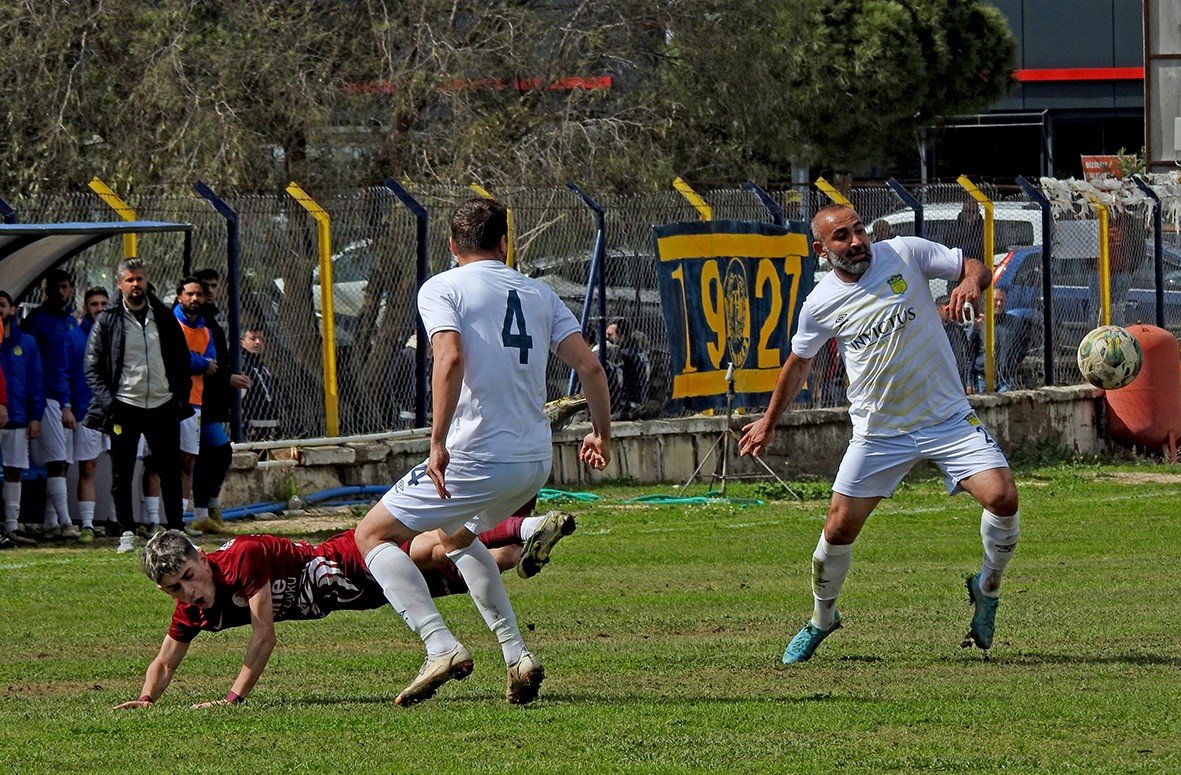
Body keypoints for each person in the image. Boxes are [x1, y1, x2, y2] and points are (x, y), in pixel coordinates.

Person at [353, 197, 612, 707]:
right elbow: (591, 369)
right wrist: (601, 434)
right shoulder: (540, 293)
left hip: (477, 455)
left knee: (372, 534)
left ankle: (439, 645)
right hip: (534, 461)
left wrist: (437, 441)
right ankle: (516, 655)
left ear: (451, 246)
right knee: (454, 537)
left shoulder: (443, 287)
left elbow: (448, 357)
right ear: (504, 243)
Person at [738, 204, 1020, 663]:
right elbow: (800, 362)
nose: (856, 242)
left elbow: (973, 266)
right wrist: (770, 420)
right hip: (878, 433)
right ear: (821, 250)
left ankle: (987, 588)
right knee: (837, 529)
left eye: (858, 231)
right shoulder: (820, 303)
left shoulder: (905, 253)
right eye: (842, 237)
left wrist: (971, 281)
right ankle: (821, 619)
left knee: (1003, 497)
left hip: (946, 418)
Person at [114, 511, 576, 709]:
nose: (190, 592)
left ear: (201, 556)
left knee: (437, 542)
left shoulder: (240, 557)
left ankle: (530, 523)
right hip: (359, 597)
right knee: (472, 564)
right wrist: (148, 697)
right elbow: (165, 659)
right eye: (175, 589)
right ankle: (527, 541)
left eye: (190, 576)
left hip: (338, 563)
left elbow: (263, 636)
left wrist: (233, 699)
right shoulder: (192, 609)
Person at [84, 258, 194, 551]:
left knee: (169, 469)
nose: (136, 285)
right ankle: (127, 532)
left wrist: (179, 396)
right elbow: (92, 368)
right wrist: (111, 403)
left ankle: (176, 531)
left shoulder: (163, 315)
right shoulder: (108, 319)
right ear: (120, 284)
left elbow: (181, 358)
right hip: (125, 406)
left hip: (162, 404)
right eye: (130, 280)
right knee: (123, 472)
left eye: (140, 279)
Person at [24, 269, 81, 539]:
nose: (62, 292)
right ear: (47, 290)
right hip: (49, 397)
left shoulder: (71, 322)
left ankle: (50, 523)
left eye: (66, 286)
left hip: (68, 398)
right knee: (56, 460)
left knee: (64, 462)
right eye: (57, 287)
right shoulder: (37, 320)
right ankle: (67, 521)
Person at [65, 287, 112, 543]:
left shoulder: (117, 335)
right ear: (86, 307)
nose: (100, 308)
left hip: (116, 411)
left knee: (120, 466)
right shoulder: (73, 337)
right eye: (94, 303)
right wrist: (67, 405)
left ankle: (118, 520)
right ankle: (87, 524)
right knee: (88, 467)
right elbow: (64, 372)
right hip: (87, 412)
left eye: (104, 303)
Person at [0, 291, 44, 546]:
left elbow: (36, 381)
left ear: (13, 310)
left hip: (17, 417)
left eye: (3, 305)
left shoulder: (26, 343)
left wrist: (35, 417)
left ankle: (12, 525)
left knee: (14, 471)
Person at [967, 288, 1031, 393]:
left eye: (1002, 300)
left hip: (1005, 379)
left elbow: (1025, 341)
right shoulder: (979, 323)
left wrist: (1016, 359)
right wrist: (969, 381)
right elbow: (969, 352)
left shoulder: (1015, 323)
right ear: (987, 301)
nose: (999, 303)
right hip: (982, 377)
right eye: (996, 300)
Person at [239, 326, 280, 440]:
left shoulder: (262, 366)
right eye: (253, 339)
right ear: (242, 341)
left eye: (261, 339)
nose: (258, 342)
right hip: (251, 427)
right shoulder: (240, 365)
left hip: (269, 426)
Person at [605, 317, 650, 419]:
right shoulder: (638, 350)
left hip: (628, 402)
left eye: (610, 335)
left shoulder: (625, 356)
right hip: (640, 398)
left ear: (622, 336)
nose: (607, 338)